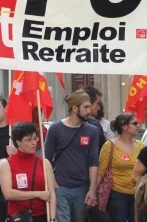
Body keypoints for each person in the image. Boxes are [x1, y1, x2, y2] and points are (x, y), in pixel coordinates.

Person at [44, 90, 99, 222]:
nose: (89, 111)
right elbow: (46, 160)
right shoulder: (55, 128)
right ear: (75, 108)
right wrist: (54, 185)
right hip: (60, 187)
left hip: (82, 189)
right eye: (85, 107)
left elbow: (93, 162)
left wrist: (92, 190)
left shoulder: (92, 130)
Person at [0, 122, 57, 222]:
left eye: (35, 139)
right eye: (29, 140)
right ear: (18, 142)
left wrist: (52, 218)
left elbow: (51, 193)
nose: (34, 143)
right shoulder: (7, 164)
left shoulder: (44, 163)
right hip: (18, 216)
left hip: (42, 216)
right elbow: (8, 194)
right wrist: (38, 194)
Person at [97, 113, 144, 222]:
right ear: (124, 127)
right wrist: (92, 192)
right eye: (135, 123)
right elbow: (101, 172)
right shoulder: (110, 146)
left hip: (136, 196)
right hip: (117, 196)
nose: (139, 126)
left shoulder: (141, 146)